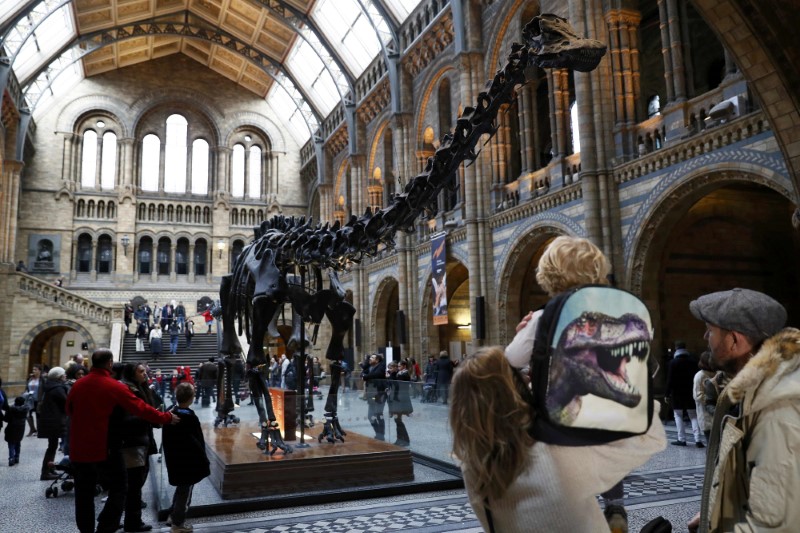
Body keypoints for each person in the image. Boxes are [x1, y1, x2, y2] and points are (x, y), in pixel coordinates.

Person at [451, 347, 666, 533]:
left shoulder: (471, 465)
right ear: (512, 388)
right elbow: (645, 432)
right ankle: (615, 505)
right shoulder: (555, 444)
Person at [504, 235, 630, 529]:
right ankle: (615, 507)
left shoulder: (543, 316)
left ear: (549, 274)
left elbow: (511, 359)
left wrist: (521, 331)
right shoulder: (615, 313)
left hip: (560, 417)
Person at [686, 288, 796, 533]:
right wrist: (716, 511)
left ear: (735, 341)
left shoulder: (778, 411)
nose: (705, 336)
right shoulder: (753, 391)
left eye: (711, 330)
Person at [66, 348, 178, 533]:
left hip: (79, 449)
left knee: (83, 495)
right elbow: (140, 408)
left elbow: (69, 410)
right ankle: (106, 527)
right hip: (105, 447)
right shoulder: (113, 386)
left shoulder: (78, 385)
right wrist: (165, 417)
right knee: (120, 487)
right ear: (110, 363)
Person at [113, 363, 159, 533]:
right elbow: (125, 418)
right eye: (141, 372)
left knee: (134, 483)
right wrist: (148, 417)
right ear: (132, 374)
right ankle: (129, 521)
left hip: (141, 440)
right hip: (132, 443)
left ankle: (122, 520)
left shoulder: (140, 387)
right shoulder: (127, 390)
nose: (145, 374)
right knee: (132, 484)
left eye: (145, 371)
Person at [162, 383, 210, 533]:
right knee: (185, 491)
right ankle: (178, 524)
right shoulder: (188, 417)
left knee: (181, 488)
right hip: (188, 461)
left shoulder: (172, 413)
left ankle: (173, 515)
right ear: (191, 398)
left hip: (176, 459)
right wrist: (203, 458)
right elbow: (195, 441)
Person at [666, 341, 703, 447]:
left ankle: (681, 439)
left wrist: (666, 394)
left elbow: (670, 380)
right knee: (693, 415)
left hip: (677, 393)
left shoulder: (673, 363)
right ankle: (698, 439)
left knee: (678, 415)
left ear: (676, 349)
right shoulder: (693, 361)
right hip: (690, 392)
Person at [38, 366, 69, 480]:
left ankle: (49, 469)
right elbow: (67, 403)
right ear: (59, 376)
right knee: (52, 447)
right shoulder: (58, 389)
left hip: (50, 421)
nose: (65, 376)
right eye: (64, 374)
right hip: (54, 422)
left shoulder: (51, 386)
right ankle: (46, 472)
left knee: (52, 446)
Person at [362, 354, 387, 441]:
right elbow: (363, 372)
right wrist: (365, 375)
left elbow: (376, 374)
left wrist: (365, 377)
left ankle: (381, 435)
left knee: (378, 414)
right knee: (370, 416)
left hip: (379, 394)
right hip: (371, 395)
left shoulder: (381, 366)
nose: (370, 359)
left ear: (377, 360)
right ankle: (378, 433)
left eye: (372, 358)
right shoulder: (369, 366)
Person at [387, 360, 413, 446]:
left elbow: (397, 383)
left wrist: (392, 374)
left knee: (398, 420)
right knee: (397, 420)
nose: (390, 369)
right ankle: (401, 438)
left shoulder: (402, 375)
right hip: (397, 399)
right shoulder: (397, 374)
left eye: (392, 368)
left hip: (400, 400)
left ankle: (404, 439)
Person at [693, 351, 715, 443]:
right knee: (711, 444)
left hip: (717, 413)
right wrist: (711, 400)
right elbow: (698, 395)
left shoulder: (716, 373)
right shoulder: (700, 375)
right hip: (706, 414)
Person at [5, 396, 28, 466]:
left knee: (11, 443)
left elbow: (6, 419)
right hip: (21, 427)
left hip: (11, 427)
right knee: (18, 442)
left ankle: (11, 458)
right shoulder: (25, 409)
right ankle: (17, 457)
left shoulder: (11, 409)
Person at [25, 365, 43, 436]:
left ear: (39, 371)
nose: (33, 371)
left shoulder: (42, 379)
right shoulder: (30, 378)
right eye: (33, 369)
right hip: (30, 399)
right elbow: (27, 387)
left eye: (35, 370)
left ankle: (39, 430)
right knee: (28, 415)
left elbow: (44, 390)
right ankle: (32, 429)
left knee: (38, 415)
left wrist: (42, 400)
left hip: (38, 400)